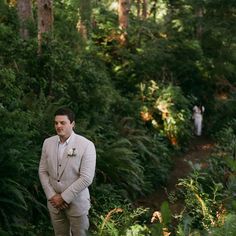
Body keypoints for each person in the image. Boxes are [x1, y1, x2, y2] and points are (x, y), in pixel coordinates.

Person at [39, 107, 96, 236]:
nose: (58, 126)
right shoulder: (48, 143)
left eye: (62, 123)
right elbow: (43, 171)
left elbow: (86, 178)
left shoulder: (86, 145)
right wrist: (52, 196)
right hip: (54, 204)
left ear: (72, 124)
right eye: (56, 123)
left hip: (77, 203)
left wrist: (64, 197)